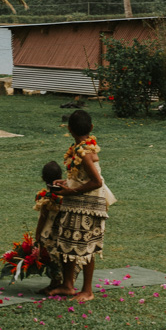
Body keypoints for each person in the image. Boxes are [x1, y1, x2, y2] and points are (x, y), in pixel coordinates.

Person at [46, 110, 112, 302]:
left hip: (88, 206)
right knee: (66, 242)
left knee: (86, 246)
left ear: (68, 129)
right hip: (75, 204)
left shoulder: (85, 153)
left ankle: (88, 290)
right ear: (91, 128)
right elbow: (80, 178)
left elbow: (97, 182)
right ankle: (67, 285)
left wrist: (70, 192)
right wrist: (66, 183)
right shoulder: (78, 149)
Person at [35, 160, 65, 294]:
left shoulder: (46, 197)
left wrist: (37, 236)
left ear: (42, 178)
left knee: (52, 259)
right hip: (64, 230)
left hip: (50, 232)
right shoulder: (66, 192)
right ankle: (64, 282)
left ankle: (55, 283)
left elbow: (43, 217)